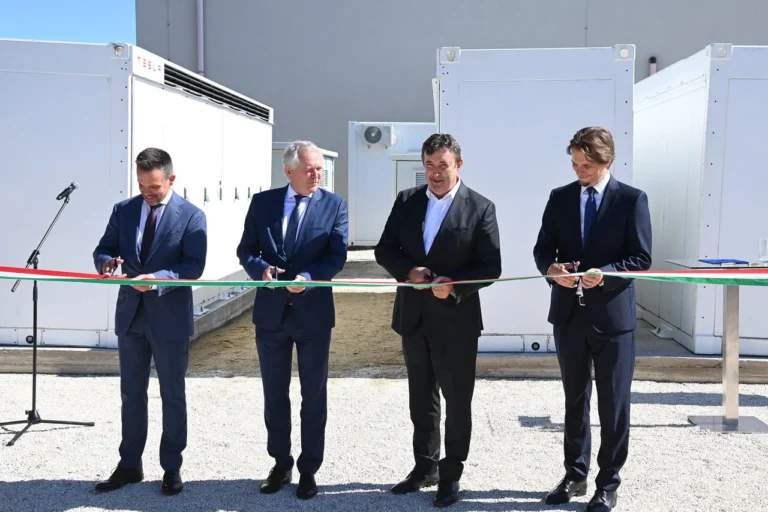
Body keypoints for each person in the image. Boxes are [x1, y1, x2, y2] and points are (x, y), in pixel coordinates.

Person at [375, 133, 502, 508]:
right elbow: (385, 249)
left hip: (457, 322)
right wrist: (408, 271)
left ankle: (451, 474)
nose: (434, 173)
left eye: (442, 165)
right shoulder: (407, 201)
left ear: (458, 165)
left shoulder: (480, 207)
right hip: (413, 318)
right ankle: (424, 467)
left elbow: (490, 267)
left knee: (457, 401)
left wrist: (456, 287)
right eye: (428, 165)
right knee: (421, 399)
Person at [533, 127, 652, 512]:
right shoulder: (560, 197)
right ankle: (575, 475)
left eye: (586, 164)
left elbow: (641, 258)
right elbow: (542, 249)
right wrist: (552, 270)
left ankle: (608, 483)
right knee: (574, 398)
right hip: (568, 316)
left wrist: (607, 273)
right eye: (574, 163)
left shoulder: (631, 200)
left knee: (613, 403)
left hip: (613, 319)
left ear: (607, 161)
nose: (578, 170)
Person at [236, 140, 348, 500]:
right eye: (309, 169)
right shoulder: (263, 203)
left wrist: (308, 279)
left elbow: (336, 256)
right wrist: (261, 270)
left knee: (313, 396)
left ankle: (309, 469)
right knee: (274, 394)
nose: (317, 175)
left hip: (313, 314)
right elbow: (246, 250)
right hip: (271, 315)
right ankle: (281, 463)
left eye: (320, 169)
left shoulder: (334, 205)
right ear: (289, 171)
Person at [92, 148, 207, 495]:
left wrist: (156, 279)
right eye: (142, 186)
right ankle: (129, 465)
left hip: (169, 317)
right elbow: (103, 248)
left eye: (154, 187)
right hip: (131, 316)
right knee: (131, 393)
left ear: (171, 179)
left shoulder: (192, 215)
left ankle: (171, 467)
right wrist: (106, 263)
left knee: (172, 393)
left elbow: (193, 266)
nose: (147, 193)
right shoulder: (123, 210)